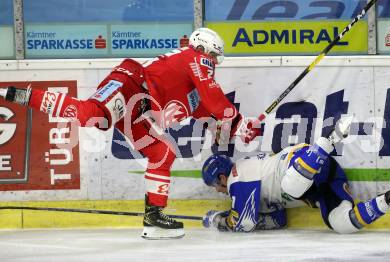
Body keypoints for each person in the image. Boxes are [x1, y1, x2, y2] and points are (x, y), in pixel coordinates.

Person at [0, 28, 260, 239]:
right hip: (131, 83)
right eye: (214, 57)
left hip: (138, 108)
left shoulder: (193, 89)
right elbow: (216, 101)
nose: (214, 64)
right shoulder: (196, 58)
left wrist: (242, 129)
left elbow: (214, 118)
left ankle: (154, 218)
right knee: (93, 115)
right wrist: (234, 118)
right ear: (203, 49)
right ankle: (18, 94)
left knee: (162, 152)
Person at [201, 117, 390, 233]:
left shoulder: (237, 178)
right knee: (340, 223)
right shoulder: (247, 184)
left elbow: (244, 223)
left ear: (222, 177)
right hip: (323, 179)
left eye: (216, 186)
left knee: (291, 187)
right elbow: (278, 220)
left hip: (301, 164)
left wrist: (218, 221)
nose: (220, 191)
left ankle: (330, 138)